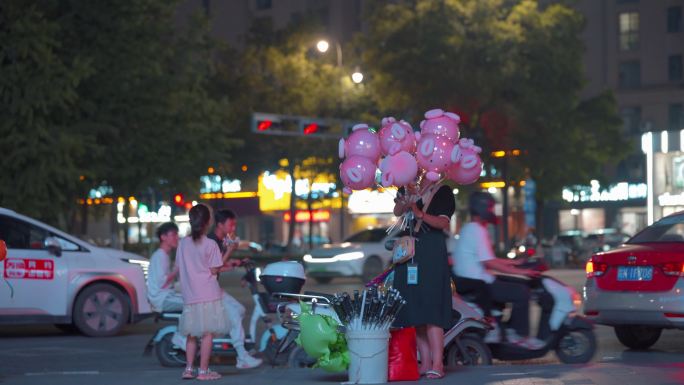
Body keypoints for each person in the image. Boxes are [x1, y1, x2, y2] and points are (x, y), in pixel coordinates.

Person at [452, 192, 544, 349]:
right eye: (491, 208)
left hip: (476, 279)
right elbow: (490, 262)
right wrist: (523, 272)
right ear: (482, 209)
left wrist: (514, 263)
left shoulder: (470, 228)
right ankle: (519, 334)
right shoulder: (477, 230)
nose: (493, 212)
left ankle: (508, 328)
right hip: (479, 282)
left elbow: (488, 258)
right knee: (522, 291)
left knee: (518, 284)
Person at [392, 181, 454, 380]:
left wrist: (419, 213)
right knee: (415, 309)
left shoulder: (442, 191)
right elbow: (396, 211)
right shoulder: (407, 186)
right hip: (409, 253)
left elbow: (443, 223)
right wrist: (405, 202)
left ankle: (438, 363)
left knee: (432, 309)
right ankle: (425, 362)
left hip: (431, 254)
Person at [176, 203, 232, 380]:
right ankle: (203, 371)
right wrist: (229, 249)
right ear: (208, 222)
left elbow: (179, 266)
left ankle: (188, 369)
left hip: (190, 294)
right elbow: (215, 270)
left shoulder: (183, 243)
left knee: (192, 333)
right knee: (207, 333)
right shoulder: (210, 244)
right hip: (208, 293)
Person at [207, 209, 262, 369]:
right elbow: (214, 268)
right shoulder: (213, 241)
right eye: (231, 225)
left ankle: (229, 342)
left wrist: (235, 263)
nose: (233, 228)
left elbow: (219, 265)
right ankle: (241, 355)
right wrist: (231, 250)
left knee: (238, 310)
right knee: (235, 312)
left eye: (234, 225)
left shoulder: (218, 240)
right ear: (220, 225)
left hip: (213, 287)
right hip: (208, 288)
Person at [146, 222, 182, 312]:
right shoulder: (160, 256)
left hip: (166, 296)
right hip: (162, 299)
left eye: (177, 234)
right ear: (163, 237)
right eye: (173, 235)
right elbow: (162, 281)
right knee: (193, 304)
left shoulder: (164, 255)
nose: (177, 238)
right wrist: (177, 269)